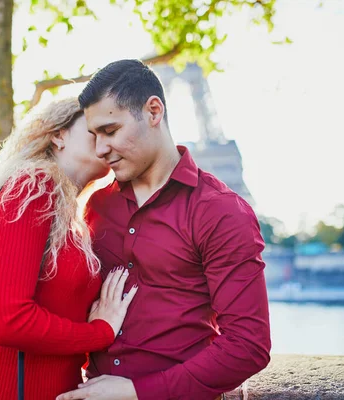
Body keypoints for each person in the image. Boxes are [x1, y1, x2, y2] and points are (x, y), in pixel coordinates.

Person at [57, 60, 271, 400]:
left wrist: (137, 392)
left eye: (110, 131)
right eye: (94, 136)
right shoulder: (96, 206)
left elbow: (249, 345)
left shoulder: (220, 211)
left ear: (154, 111)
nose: (100, 149)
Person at [0, 98, 138, 400]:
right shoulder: (33, 187)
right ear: (58, 135)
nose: (105, 141)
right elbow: (7, 321)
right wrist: (100, 332)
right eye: (93, 129)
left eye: (109, 130)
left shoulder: (70, 215)